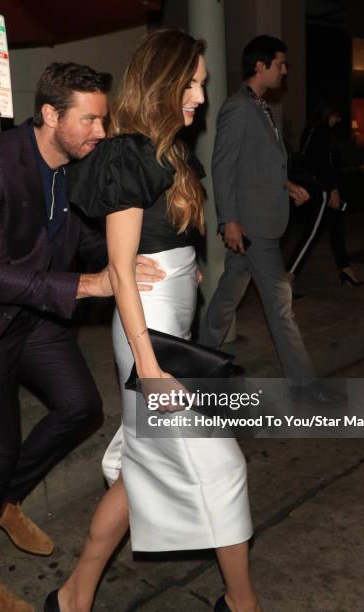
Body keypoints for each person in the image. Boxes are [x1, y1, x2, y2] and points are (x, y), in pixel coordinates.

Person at [0, 62, 164, 612]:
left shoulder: (73, 163)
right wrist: (90, 284)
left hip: (31, 314)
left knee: (81, 406)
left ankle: (5, 501)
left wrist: (127, 263)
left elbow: (77, 231)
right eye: (90, 121)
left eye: (104, 120)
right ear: (51, 114)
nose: (100, 133)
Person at [44, 29, 259, 612]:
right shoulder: (129, 152)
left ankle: (73, 595)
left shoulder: (169, 150)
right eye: (189, 83)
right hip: (149, 336)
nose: (198, 95)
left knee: (143, 472)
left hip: (169, 323)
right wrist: (148, 364)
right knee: (221, 467)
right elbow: (118, 264)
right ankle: (243, 604)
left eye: (201, 85)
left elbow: (160, 236)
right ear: (161, 82)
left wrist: (183, 264)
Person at [200, 35, 319, 389]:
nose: (285, 70)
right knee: (281, 304)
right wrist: (229, 220)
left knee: (228, 295)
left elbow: (256, 164)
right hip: (253, 226)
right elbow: (223, 168)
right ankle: (306, 387)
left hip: (262, 218)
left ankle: (200, 362)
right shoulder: (238, 107)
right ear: (260, 66)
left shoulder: (263, 108)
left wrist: (286, 185)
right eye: (280, 63)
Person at [286, 102, 364, 288]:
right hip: (320, 189)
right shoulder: (323, 132)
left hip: (314, 186)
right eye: (337, 116)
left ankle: (345, 268)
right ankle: (287, 279)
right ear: (329, 114)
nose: (338, 120)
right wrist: (333, 190)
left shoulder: (311, 130)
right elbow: (325, 164)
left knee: (336, 227)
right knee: (311, 234)